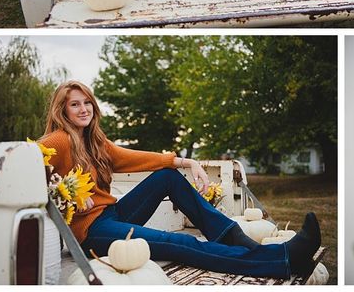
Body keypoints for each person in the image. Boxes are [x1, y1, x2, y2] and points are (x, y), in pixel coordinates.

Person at [39, 81, 320, 279]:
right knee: (182, 244)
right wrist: (68, 194)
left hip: (113, 214)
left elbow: (143, 158)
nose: (83, 108)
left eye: (87, 102)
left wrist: (190, 162)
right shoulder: (60, 140)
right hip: (92, 234)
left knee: (167, 177)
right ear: (62, 110)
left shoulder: (96, 142)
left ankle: (234, 236)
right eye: (74, 104)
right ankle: (280, 259)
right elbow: (27, 164)